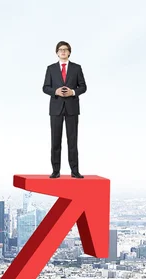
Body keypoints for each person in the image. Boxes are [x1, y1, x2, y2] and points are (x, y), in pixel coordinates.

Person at [42, 41, 87, 178]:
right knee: (55, 140)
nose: (63, 51)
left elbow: (83, 87)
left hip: (72, 108)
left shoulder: (76, 68)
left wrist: (72, 92)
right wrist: (55, 91)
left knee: (72, 140)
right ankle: (55, 171)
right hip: (56, 108)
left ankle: (75, 171)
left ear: (69, 52)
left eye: (65, 49)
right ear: (57, 52)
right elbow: (45, 87)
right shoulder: (51, 69)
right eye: (60, 49)